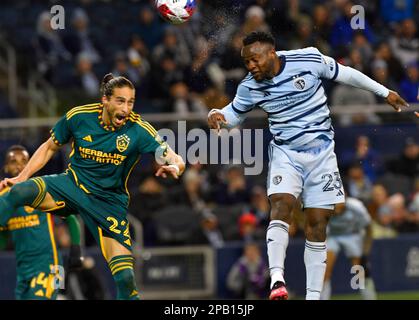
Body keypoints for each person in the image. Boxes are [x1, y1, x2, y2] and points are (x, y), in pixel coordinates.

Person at [207, 31, 408, 300]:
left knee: (317, 223)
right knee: (281, 204)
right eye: (246, 62)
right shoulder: (249, 86)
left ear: (271, 53)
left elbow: (346, 74)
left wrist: (385, 92)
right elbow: (232, 114)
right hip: (285, 154)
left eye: (254, 60)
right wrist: (216, 115)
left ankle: (313, 296)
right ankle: (277, 280)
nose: (251, 66)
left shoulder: (308, 59)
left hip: (322, 154)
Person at [0, 74, 185, 300]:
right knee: (17, 191)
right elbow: (49, 147)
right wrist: (22, 176)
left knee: (126, 279)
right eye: (120, 101)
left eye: (131, 102)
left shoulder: (139, 130)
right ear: (105, 100)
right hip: (72, 186)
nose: (126, 109)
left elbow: (177, 159)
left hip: (108, 204)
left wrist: (175, 168)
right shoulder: (79, 117)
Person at [0, 145, 82, 300]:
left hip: (52, 266)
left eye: (24, 161)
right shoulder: (4, 200)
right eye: (13, 161)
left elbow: (70, 218)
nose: (19, 165)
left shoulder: (40, 191)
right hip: (23, 269)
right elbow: (3, 239)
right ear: (5, 167)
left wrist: (76, 249)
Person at [320, 197, 377, 300]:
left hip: (353, 235)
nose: (337, 206)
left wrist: (365, 251)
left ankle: (369, 297)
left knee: (358, 269)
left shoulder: (357, 207)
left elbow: (369, 228)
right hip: (333, 236)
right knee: (325, 269)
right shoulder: (325, 208)